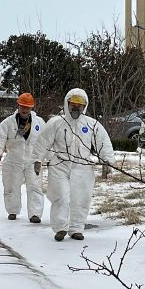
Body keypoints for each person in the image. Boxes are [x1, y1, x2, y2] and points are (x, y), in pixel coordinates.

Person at [32, 88, 115, 242]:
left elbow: (103, 142)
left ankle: (76, 228)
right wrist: (37, 159)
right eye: (73, 104)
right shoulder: (56, 123)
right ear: (67, 104)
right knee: (61, 196)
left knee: (81, 199)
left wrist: (107, 161)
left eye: (80, 105)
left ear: (85, 106)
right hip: (60, 165)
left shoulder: (91, 124)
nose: (76, 108)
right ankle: (60, 228)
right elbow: (42, 142)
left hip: (83, 167)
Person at [0, 93, 46, 223]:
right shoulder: (8, 122)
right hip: (13, 159)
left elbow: (46, 140)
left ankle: (35, 214)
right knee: (11, 186)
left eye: (27, 107)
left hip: (33, 160)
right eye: (22, 106)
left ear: (31, 108)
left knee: (35, 187)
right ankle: (12, 211)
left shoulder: (39, 123)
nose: (25, 110)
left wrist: (45, 158)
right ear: (18, 106)